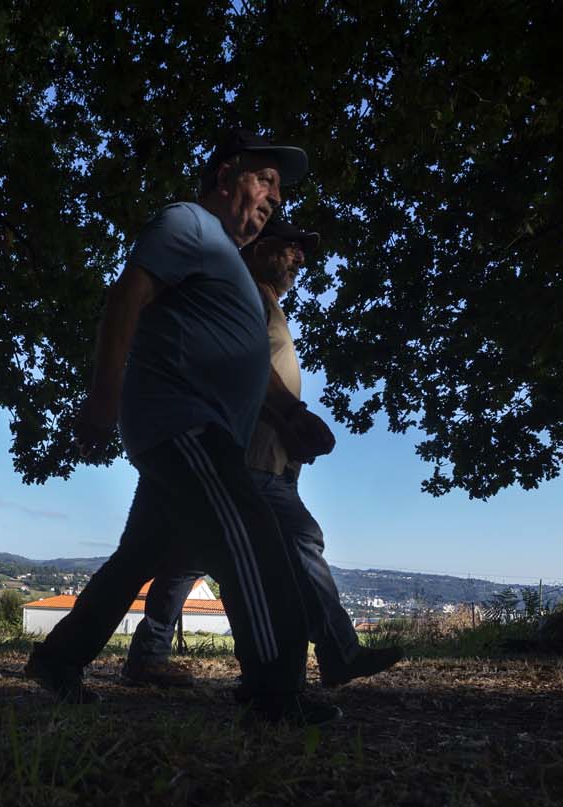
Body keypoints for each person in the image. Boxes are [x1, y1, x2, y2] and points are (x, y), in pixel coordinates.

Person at [24, 129, 337, 725]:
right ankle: (275, 691)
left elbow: (243, 360)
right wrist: (103, 397)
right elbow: (128, 295)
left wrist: (289, 416)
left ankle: (59, 658)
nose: (274, 197)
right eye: (263, 180)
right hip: (184, 425)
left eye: (279, 189)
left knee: (140, 556)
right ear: (225, 178)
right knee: (252, 533)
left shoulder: (232, 267)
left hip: (203, 428)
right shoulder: (189, 223)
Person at [123, 216, 406, 691]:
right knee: (300, 540)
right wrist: (291, 418)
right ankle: (333, 653)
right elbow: (247, 369)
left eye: (303, 252)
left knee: (184, 554)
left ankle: (145, 655)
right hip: (248, 455)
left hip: (256, 454)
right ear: (257, 249)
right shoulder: (246, 295)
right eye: (290, 247)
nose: (300, 258)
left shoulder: (263, 301)